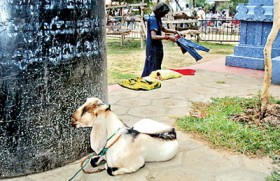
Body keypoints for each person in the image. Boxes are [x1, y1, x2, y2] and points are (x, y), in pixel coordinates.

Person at [141, 2, 179, 77]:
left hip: (158, 46)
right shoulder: (153, 19)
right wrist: (168, 37)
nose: (164, 15)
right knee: (153, 65)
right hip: (153, 47)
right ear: (159, 11)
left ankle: (154, 78)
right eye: (164, 13)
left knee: (157, 64)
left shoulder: (158, 19)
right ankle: (149, 78)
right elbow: (153, 36)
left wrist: (174, 31)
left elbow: (163, 29)